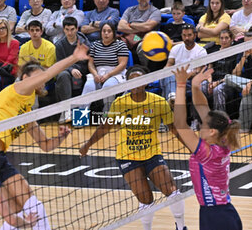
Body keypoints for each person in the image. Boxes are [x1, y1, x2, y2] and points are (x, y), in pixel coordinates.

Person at [0, 42, 89, 229]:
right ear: (26, 77)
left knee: (27, 210)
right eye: (37, 76)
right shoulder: (18, 89)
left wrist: (61, 137)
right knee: (15, 214)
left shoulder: (27, 109)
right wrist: (74, 58)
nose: (42, 79)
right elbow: (48, 74)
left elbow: (45, 145)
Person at [80, 65, 187, 230]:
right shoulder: (120, 103)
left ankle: (181, 227)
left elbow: (173, 128)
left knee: (172, 191)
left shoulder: (158, 102)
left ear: (146, 82)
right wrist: (87, 145)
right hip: (127, 157)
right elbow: (106, 127)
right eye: (132, 81)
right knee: (146, 199)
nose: (136, 84)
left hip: (152, 155)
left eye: (140, 80)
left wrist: (192, 148)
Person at [173, 65, 242, 230]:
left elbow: (180, 124)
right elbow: (204, 110)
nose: (199, 127)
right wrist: (196, 86)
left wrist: (182, 85)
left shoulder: (206, 153)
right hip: (226, 213)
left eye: (202, 125)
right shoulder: (222, 142)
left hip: (215, 217)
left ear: (211, 131)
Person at [159, 24, 207, 132]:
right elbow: (169, 64)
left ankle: (167, 120)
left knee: (193, 86)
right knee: (168, 76)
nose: (186, 38)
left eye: (189, 35)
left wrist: (183, 76)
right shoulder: (176, 48)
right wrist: (164, 72)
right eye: (184, 35)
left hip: (190, 80)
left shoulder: (201, 51)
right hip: (174, 78)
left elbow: (198, 71)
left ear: (195, 35)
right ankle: (172, 96)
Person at [81, 22, 128, 113]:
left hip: (115, 74)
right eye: (104, 31)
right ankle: (80, 119)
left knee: (108, 86)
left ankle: (106, 117)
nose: (106, 33)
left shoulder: (121, 45)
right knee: (88, 86)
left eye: (109, 31)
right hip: (98, 73)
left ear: (113, 33)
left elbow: (122, 64)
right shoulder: (95, 45)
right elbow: (90, 64)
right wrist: (95, 75)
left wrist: (108, 75)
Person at [55, 16, 90, 124]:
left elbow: (87, 63)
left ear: (77, 29)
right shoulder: (59, 44)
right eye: (67, 30)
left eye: (72, 29)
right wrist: (71, 70)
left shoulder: (85, 43)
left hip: (83, 72)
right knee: (63, 75)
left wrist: (76, 69)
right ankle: (66, 110)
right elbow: (60, 64)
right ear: (63, 30)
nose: (69, 33)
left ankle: (81, 116)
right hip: (67, 72)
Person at [117, 0, 161, 67]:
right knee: (114, 42)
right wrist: (141, 27)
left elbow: (148, 27)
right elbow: (120, 27)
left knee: (142, 45)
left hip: (143, 38)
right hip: (127, 37)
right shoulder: (129, 10)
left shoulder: (155, 11)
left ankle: (145, 71)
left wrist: (131, 24)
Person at [207, 29, 238, 112]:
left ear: (231, 39)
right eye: (222, 38)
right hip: (214, 81)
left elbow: (233, 76)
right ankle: (200, 119)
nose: (224, 40)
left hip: (228, 82)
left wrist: (217, 83)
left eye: (226, 38)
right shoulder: (214, 52)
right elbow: (209, 69)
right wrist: (210, 82)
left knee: (218, 89)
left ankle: (220, 118)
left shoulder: (235, 53)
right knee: (202, 86)